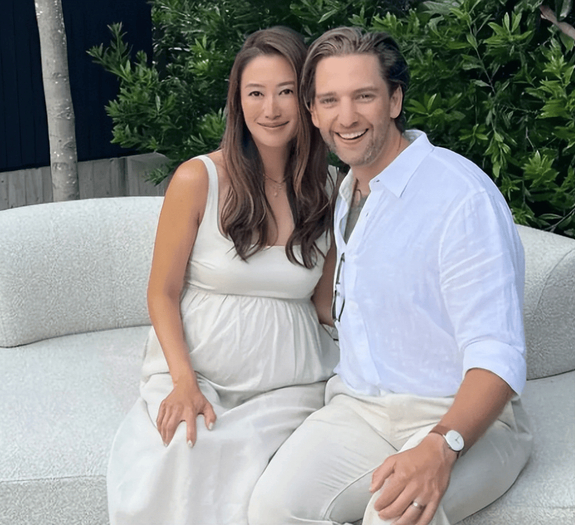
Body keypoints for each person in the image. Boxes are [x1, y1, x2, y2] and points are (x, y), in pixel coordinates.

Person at [248, 27, 533, 525]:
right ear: (313, 113)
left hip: (463, 420)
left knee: (392, 516)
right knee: (274, 508)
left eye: (364, 96)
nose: (347, 117)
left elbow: (498, 352)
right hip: (360, 409)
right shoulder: (348, 191)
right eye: (330, 100)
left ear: (395, 100)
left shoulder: (461, 198)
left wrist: (441, 445)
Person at [107, 26, 338, 525]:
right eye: (256, 93)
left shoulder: (327, 187)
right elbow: (162, 292)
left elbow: (324, 306)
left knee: (275, 475)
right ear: (237, 101)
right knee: (186, 451)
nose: (270, 109)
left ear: (307, 100)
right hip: (200, 376)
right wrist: (184, 382)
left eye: (285, 92)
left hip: (292, 386)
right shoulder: (198, 179)